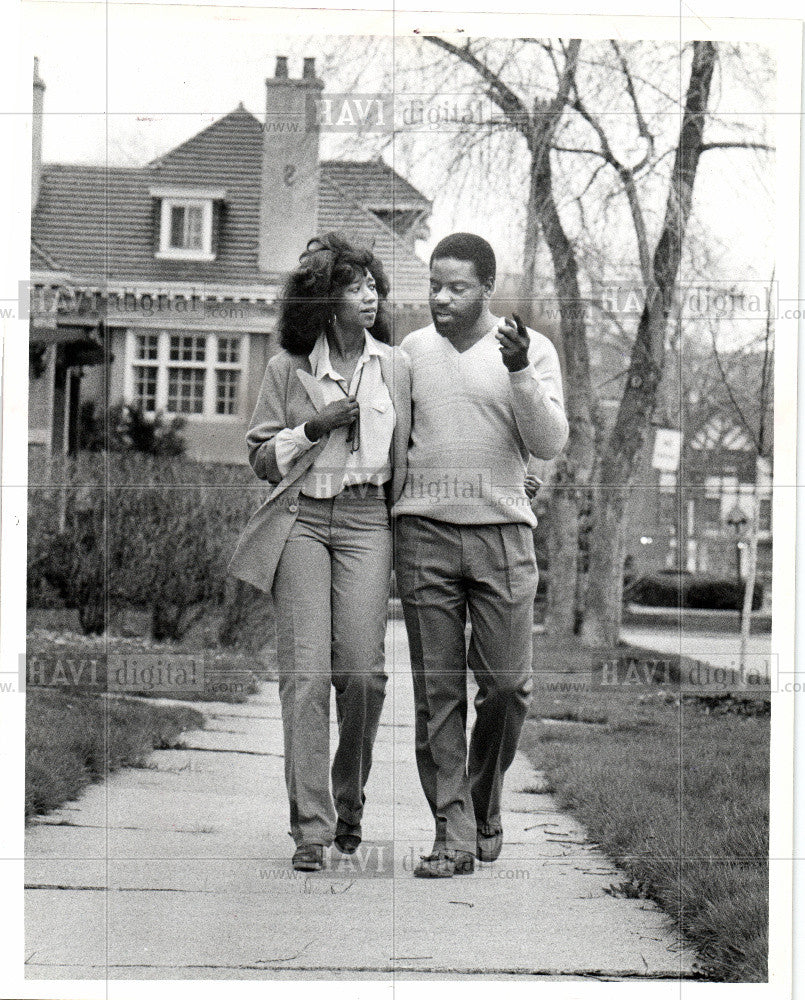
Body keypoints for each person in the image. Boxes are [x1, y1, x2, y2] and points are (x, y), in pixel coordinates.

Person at [227, 233, 411, 873]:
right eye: (355, 287)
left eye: (373, 286)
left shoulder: (397, 367)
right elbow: (258, 457)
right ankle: (311, 829)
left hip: (368, 521)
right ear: (326, 302)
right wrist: (315, 426)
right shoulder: (288, 368)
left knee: (361, 675)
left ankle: (348, 799)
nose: (371, 296)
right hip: (302, 517)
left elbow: (422, 449)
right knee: (306, 678)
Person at [392, 232, 569, 878]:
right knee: (437, 695)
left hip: (501, 534)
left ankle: (483, 799)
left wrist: (520, 371)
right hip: (424, 534)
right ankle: (452, 833)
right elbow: (395, 441)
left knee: (506, 688)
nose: (440, 297)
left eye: (456, 286)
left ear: (486, 288)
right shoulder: (411, 352)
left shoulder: (530, 350)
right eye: (434, 284)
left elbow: (548, 443)